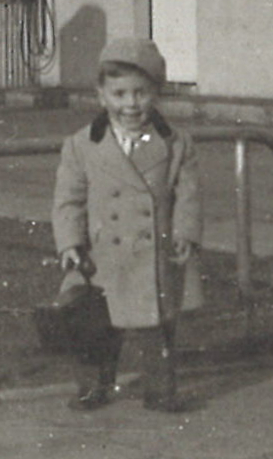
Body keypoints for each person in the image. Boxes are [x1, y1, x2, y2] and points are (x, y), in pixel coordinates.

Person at [51, 36, 203, 413]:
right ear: (101, 96)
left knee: (158, 328)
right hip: (102, 254)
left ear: (156, 94)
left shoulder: (176, 143)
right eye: (119, 94)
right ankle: (93, 386)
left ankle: (161, 390)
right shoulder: (81, 145)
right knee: (96, 324)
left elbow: (188, 194)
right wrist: (70, 242)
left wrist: (185, 232)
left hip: (155, 252)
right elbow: (68, 199)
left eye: (140, 93)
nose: (130, 104)